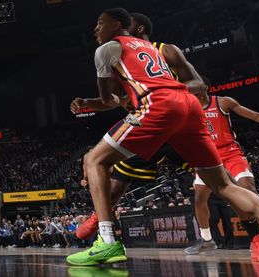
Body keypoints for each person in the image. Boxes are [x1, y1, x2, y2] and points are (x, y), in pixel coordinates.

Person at [68, 8, 259, 265]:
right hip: (187, 109)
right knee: (223, 186)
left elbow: (108, 100)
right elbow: (118, 98)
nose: (95, 29)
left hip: (158, 108)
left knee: (94, 160)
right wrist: (91, 103)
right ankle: (99, 220)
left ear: (118, 25)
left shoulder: (108, 49)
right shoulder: (152, 49)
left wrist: (105, 102)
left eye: (99, 23)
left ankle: (107, 241)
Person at [75, 12, 202, 240]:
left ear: (139, 28)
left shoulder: (165, 49)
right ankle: (100, 219)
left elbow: (199, 84)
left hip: (169, 117)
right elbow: (111, 100)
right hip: (148, 122)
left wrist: (167, 94)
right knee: (115, 185)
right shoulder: (119, 56)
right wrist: (87, 103)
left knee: (215, 178)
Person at [184, 90, 259, 254]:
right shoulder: (187, 109)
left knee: (248, 190)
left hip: (231, 153)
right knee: (199, 198)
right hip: (207, 157)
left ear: (204, 88)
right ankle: (206, 240)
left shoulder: (223, 102)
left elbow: (256, 116)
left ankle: (258, 238)